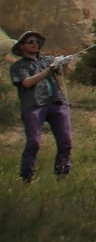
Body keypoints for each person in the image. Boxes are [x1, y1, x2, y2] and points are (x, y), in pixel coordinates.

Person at [9, 31, 71, 182]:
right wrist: (48, 70)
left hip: (57, 102)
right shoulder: (17, 66)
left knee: (66, 141)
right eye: (30, 42)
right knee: (33, 142)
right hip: (33, 106)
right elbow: (26, 82)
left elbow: (64, 72)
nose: (34, 44)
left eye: (36, 41)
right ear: (22, 47)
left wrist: (64, 62)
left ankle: (62, 174)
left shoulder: (47, 60)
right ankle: (27, 177)